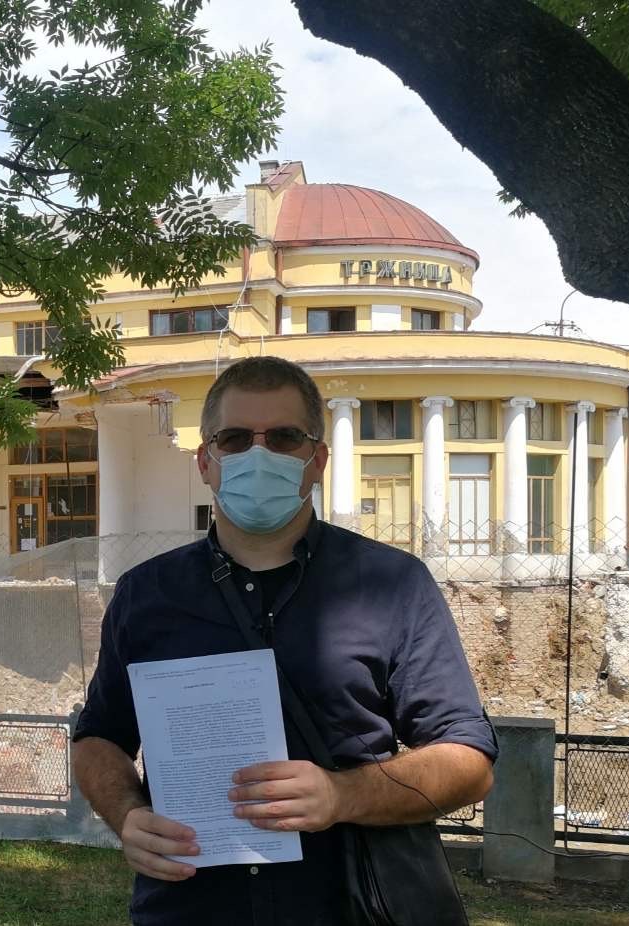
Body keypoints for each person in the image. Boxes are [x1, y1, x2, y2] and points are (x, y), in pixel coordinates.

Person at [72, 356, 496, 925]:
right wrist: (127, 814)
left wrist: (342, 795)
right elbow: (99, 737)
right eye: (235, 438)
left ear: (317, 459)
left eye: (284, 438)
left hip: (348, 909)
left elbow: (468, 760)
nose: (258, 454)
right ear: (205, 461)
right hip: (189, 908)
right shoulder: (145, 594)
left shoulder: (393, 583)